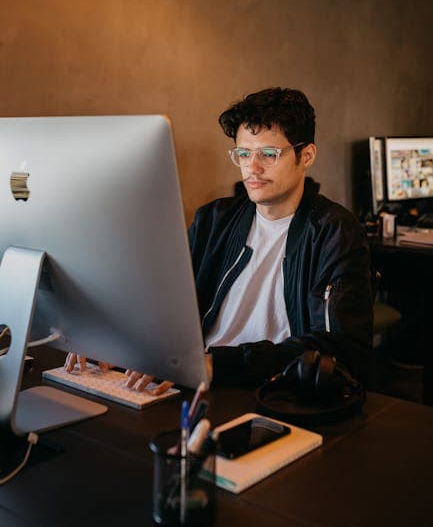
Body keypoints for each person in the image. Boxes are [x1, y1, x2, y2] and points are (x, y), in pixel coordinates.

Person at [66, 87, 373, 389]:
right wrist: (108, 339)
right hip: (192, 380)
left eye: (268, 154)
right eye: (243, 153)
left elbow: (342, 347)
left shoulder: (335, 232)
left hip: (272, 388)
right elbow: (163, 300)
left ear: (306, 155)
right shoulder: (214, 220)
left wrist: (215, 364)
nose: (251, 168)